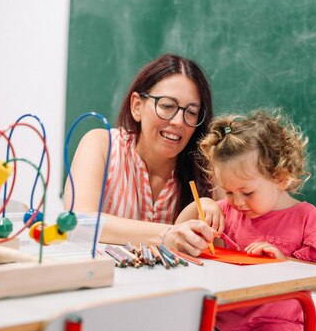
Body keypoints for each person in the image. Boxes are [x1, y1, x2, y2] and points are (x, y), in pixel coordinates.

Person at [176, 109, 316, 331]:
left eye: (247, 192)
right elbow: (175, 235)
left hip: (276, 324)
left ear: (281, 178)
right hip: (222, 320)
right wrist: (201, 206)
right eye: (229, 192)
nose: (238, 202)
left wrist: (286, 263)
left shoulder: (305, 217)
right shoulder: (224, 211)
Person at [63, 53, 216, 255]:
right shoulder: (102, 145)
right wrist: (167, 234)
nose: (179, 121)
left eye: (191, 112)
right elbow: (79, 221)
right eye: (167, 106)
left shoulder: (207, 167)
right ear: (137, 106)